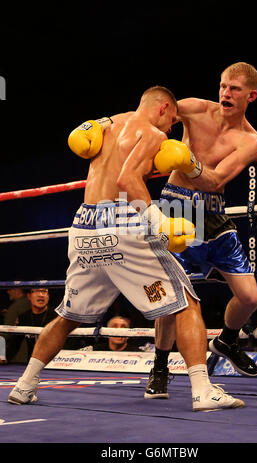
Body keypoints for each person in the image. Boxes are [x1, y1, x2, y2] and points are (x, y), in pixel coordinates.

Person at [8, 85, 244, 411]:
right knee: (186, 303)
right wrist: (158, 222)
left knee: (67, 316)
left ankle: (24, 385)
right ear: (162, 108)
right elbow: (127, 180)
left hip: (84, 227)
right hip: (122, 222)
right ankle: (204, 391)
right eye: (172, 120)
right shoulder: (152, 134)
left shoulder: (108, 123)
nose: (172, 128)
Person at [145, 63, 257, 399]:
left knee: (250, 297)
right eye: (223, 86)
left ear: (251, 95)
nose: (225, 93)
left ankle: (227, 339)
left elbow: (215, 180)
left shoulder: (251, 141)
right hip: (176, 208)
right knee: (173, 298)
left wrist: (185, 160)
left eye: (235, 89)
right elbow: (154, 111)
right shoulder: (196, 109)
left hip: (213, 214)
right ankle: (160, 367)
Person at [5, 288, 57, 363]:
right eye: (37, 291)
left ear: (48, 296)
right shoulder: (24, 317)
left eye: (44, 291)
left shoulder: (57, 317)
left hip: (56, 363)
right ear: (29, 296)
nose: (41, 295)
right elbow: (15, 343)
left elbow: (68, 343)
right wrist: (4, 357)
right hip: (31, 364)